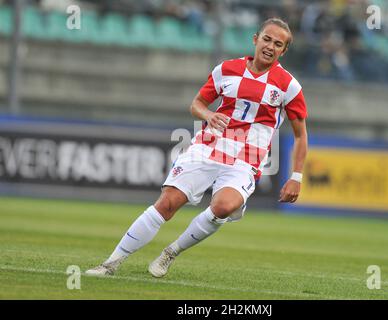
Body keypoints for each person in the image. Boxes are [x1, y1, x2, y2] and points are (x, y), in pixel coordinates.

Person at [86, 17, 308, 278]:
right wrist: (208, 116)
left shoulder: (289, 86)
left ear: (284, 51)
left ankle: (171, 252)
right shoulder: (226, 69)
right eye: (267, 39)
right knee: (167, 203)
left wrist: (296, 176)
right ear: (255, 39)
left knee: (224, 207)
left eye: (278, 44)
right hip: (209, 146)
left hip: (246, 160)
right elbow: (197, 104)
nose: (270, 46)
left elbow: (300, 135)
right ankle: (110, 264)